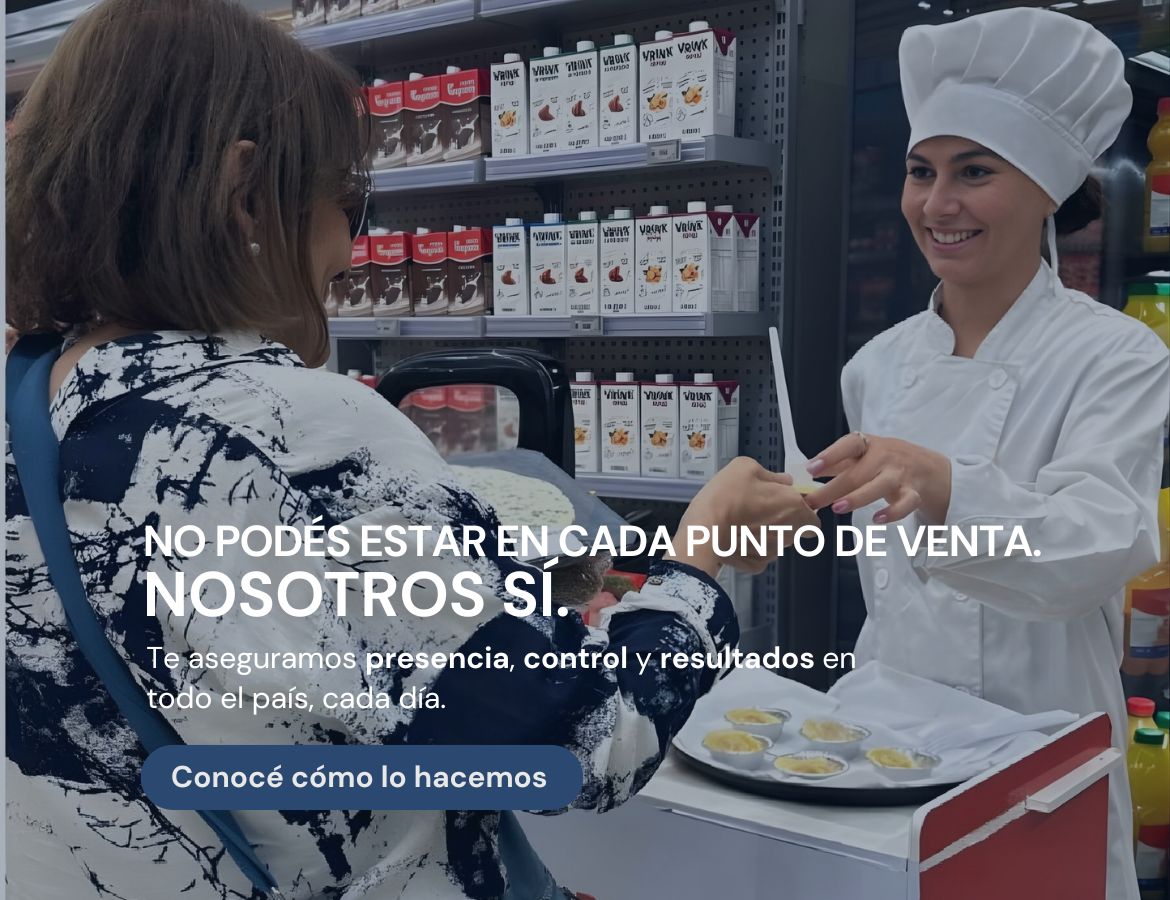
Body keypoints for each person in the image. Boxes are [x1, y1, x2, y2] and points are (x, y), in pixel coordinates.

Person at [3, 1, 819, 898]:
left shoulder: (29, 402)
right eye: (349, 204)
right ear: (245, 193)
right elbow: (589, 750)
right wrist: (698, 559)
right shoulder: (297, 434)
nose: (349, 255)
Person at [805, 9, 1170, 900]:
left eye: (975, 172)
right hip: (889, 736)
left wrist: (944, 485)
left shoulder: (1115, 355)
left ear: (1047, 188)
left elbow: (1097, 545)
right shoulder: (876, 366)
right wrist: (784, 507)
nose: (937, 204)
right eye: (921, 172)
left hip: (1041, 744)